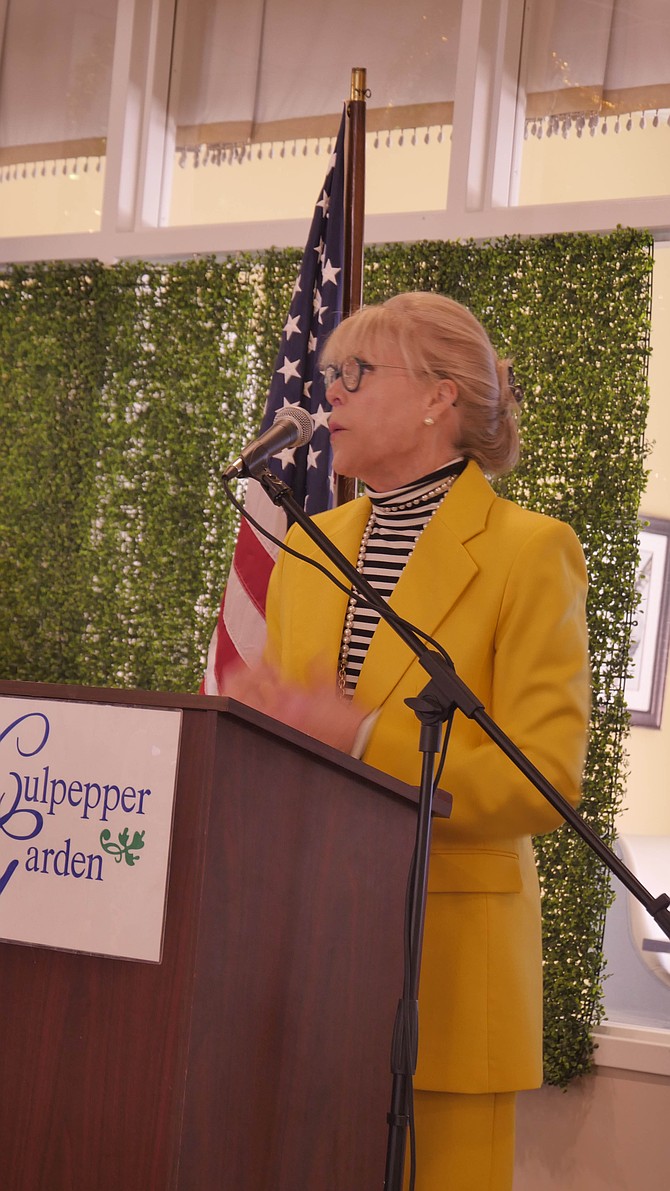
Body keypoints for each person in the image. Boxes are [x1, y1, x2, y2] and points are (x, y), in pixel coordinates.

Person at [225, 291, 591, 1191]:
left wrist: (363, 734)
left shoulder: (530, 551)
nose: (329, 393)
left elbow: (543, 778)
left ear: (440, 398)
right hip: (304, 973)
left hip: (451, 984)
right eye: (328, 374)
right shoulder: (313, 546)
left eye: (355, 373)